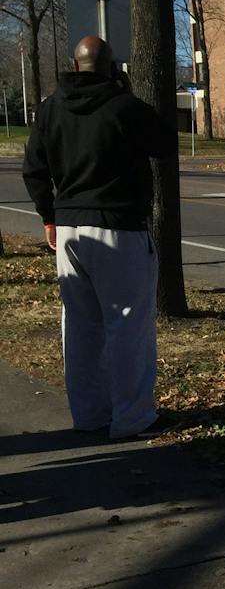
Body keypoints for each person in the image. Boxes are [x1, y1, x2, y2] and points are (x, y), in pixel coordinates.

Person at [22, 36, 176, 439]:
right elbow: (165, 142)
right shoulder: (124, 107)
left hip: (69, 226)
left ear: (74, 65)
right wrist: (126, 92)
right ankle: (133, 417)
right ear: (112, 68)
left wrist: (48, 216)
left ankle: (89, 415)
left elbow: (33, 169)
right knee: (127, 325)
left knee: (80, 325)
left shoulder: (50, 109)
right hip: (118, 227)